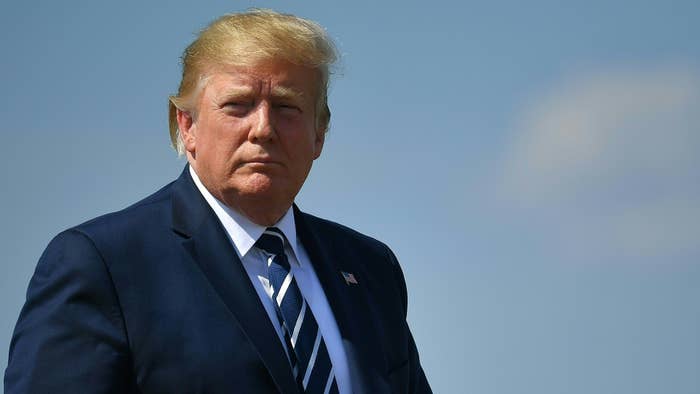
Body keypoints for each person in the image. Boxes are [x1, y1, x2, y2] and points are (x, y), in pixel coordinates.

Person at [4, 9, 431, 394]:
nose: (263, 128)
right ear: (187, 126)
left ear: (319, 133)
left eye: (286, 107)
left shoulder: (371, 269)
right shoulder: (103, 266)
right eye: (238, 105)